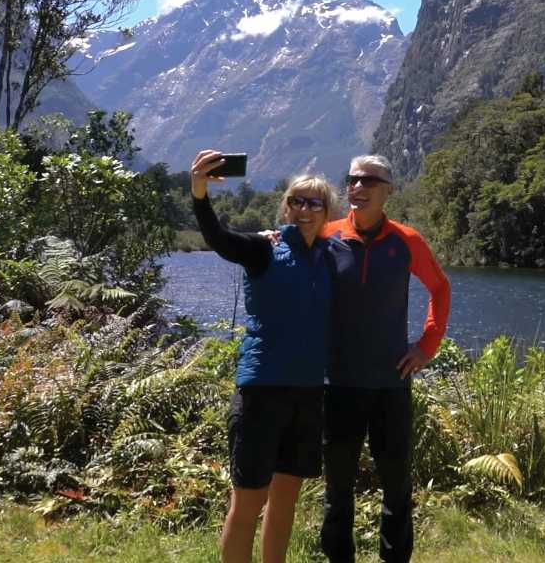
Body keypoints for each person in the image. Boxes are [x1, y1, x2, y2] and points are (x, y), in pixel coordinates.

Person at [190, 150, 336, 563]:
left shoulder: (330, 257)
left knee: (286, 499)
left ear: (327, 212)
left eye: (314, 202)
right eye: (296, 200)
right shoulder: (263, 248)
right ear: (286, 207)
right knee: (249, 500)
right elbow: (219, 239)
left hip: (308, 394)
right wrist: (200, 194)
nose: (304, 209)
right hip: (262, 391)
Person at [318, 154, 450, 563]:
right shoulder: (326, 236)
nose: (358, 187)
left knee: (396, 485)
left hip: (391, 383)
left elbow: (440, 290)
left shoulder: (407, 241)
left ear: (388, 190)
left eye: (369, 181)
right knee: (337, 487)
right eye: (353, 179)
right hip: (338, 383)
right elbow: (290, 268)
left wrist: (426, 346)